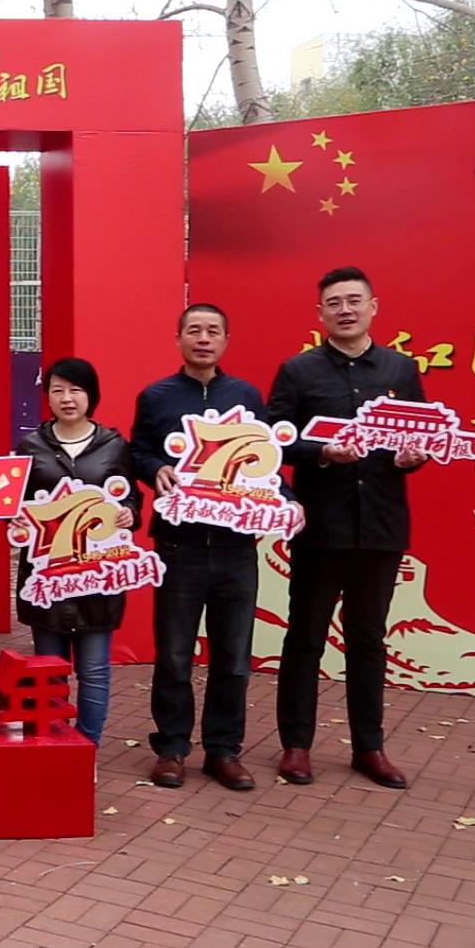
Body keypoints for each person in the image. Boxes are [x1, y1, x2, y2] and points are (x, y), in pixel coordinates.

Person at [266, 266, 427, 790]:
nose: (345, 310)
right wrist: (322, 453)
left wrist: (412, 458)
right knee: (305, 635)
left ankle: (369, 747)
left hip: (380, 525)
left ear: (373, 307)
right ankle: (296, 745)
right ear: (320, 314)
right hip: (321, 525)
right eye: (334, 303)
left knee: (368, 638)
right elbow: (273, 442)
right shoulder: (299, 372)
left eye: (354, 300)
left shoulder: (401, 369)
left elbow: (422, 437)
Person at [130, 305, 297, 791]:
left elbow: (266, 462)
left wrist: (287, 501)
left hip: (235, 548)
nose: (203, 339)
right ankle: (172, 748)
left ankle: (223, 751)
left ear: (225, 341)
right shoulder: (156, 396)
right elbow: (137, 451)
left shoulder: (244, 396)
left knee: (233, 656)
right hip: (178, 545)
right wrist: (154, 468)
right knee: (174, 654)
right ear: (178, 338)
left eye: (213, 331)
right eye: (194, 330)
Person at [12, 357, 140, 747]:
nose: (67, 398)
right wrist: (14, 521)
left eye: (76, 390)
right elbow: (13, 504)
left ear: (91, 396)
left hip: (96, 577)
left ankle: (87, 748)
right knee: (48, 672)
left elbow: (131, 496)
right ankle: (54, 749)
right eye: (58, 390)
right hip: (46, 578)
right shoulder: (30, 446)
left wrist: (129, 513)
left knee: (94, 671)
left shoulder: (114, 446)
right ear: (48, 397)